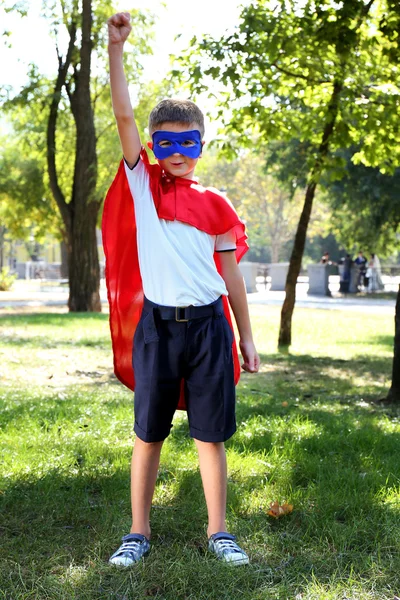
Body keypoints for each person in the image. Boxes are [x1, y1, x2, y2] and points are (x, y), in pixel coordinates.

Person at [103, 12, 260, 568]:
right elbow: (122, 113)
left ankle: (220, 532)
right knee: (148, 433)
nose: (176, 151)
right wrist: (116, 51)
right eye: (165, 142)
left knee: (209, 435)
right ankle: (137, 532)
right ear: (152, 144)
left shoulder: (217, 205)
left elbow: (231, 276)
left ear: (200, 144)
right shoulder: (141, 184)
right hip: (157, 329)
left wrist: (247, 339)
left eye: (187, 142)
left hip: (210, 329)